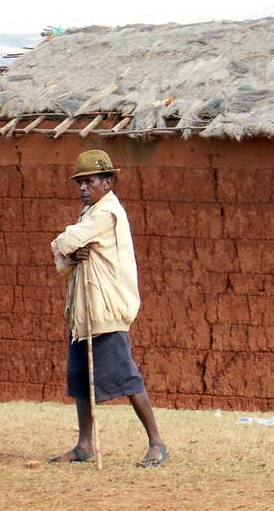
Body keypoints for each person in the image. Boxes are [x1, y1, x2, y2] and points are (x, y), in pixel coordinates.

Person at [48, 149, 168, 467]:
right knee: (80, 379)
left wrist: (67, 248)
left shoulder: (107, 213)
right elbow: (65, 259)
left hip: (107, 312)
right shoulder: (90, 214)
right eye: (80, 183)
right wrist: (72, 255)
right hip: (85, 314)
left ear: (108, 182)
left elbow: (64, 243)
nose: (82, 188)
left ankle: (157, 443)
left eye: (89, 182)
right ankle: (84, 446)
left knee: (126, 378)